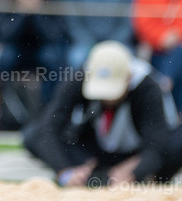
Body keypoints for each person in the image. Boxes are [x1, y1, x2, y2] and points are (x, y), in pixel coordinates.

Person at [24, 41, 182, 186]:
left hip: (138, 153)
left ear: (128, 78)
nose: (106, 98)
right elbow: (50, 127)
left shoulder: (147, 87)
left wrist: (135, 170)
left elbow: (157, 143)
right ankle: (93, 174)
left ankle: (145, 177)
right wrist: (65, 170)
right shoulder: (80, 78)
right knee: (33, 135)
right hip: (95, 153)